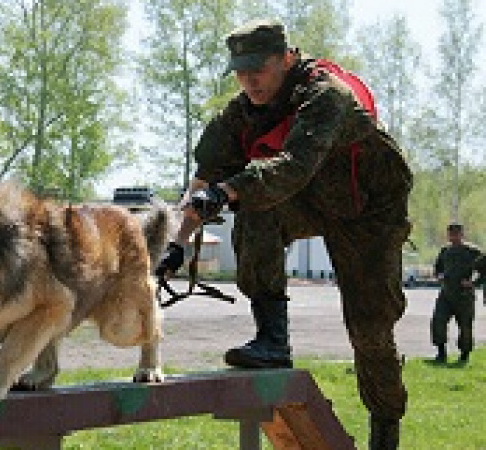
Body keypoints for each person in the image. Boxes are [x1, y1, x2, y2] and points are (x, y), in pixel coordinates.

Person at [155, 19, 413, 449]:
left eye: (258, 68)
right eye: (240, 71)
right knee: (255, 206)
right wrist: (178, 246)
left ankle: (385, 428)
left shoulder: (326, 95)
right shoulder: (240, 112)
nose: (249, 80)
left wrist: (227, 191)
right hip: (309, 200)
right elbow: (205, 180)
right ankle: (272, 341)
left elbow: (292, 166)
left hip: (370, 209)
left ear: (286, 59)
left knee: (370, 330)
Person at [430, 223, 486, 365]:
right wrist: (439, 276)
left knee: (465, 326)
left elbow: (484, 271)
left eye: (456, 234)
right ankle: (441, 353)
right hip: (446, 293)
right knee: (438, 321)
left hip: (464, 296)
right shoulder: (445, 251)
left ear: (462, 235)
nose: (453, 237)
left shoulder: (472, 252)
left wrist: (474, 283)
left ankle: (464, 355)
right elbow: (437, 268)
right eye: (451, 234)